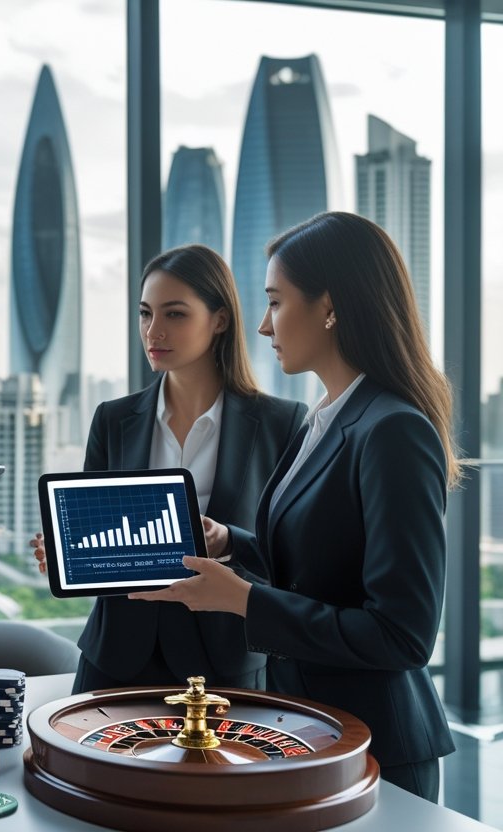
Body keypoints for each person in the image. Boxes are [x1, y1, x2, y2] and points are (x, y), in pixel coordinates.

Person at [129, 212, 457, 801]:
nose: (261, 325)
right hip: (312, 732)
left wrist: (244, 600)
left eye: (276, 302)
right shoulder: (325, 419)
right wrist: (232, 541)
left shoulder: (392, 430)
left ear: (328, 307)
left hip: (376, 751)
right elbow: (323, 566)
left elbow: (403, 634)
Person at [31, 245, 306, 694]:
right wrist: (68, 551)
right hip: (115, 656)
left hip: (225, 661)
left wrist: (227, 543)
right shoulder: (113, 419)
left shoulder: (281, 423)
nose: (153, 331)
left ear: (219, 319)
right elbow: (98, 531)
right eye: (145, 313)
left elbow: (289, 561)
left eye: (174, 314)